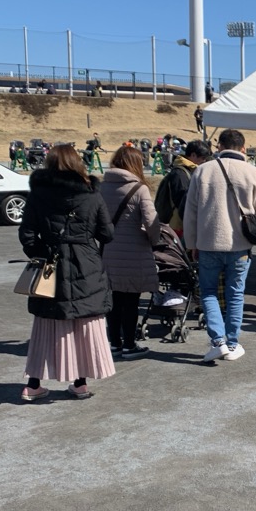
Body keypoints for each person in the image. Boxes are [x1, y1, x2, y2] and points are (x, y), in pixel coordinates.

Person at [18, 144, 116, 401]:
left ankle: (33, 384)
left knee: (47, 324)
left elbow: (27, 234)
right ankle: (80, 383)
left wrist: (43, 253)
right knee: (84, 322)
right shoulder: (92, 194)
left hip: (51, 264)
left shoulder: (38, 194)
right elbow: (107, 233)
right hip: (86, 264)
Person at [183, 129, 256, 361]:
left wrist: (192, 242)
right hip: (240, 246)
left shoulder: (201, 171)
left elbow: (190, 213)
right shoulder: (254, 173)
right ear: (243, 148)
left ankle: (218, 341)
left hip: (207, 244)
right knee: (236, 295)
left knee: (209, 293)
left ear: (219, 145)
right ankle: (233, 344)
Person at [100, 146, 160, 360]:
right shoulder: (139, 189)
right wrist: (155, 240)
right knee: (131, 300)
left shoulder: (101, 187)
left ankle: (114, 342)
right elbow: (151, 221)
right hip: (134, 251)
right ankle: (129, 345)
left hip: (108, 251)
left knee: (113, 299)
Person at [154, 140, 211, 240]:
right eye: (203, 158)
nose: (204, 161)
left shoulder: (186, 171)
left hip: (182, 224)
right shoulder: (180, 174)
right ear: (193, 155)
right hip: (179, 226)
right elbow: (183, 203)